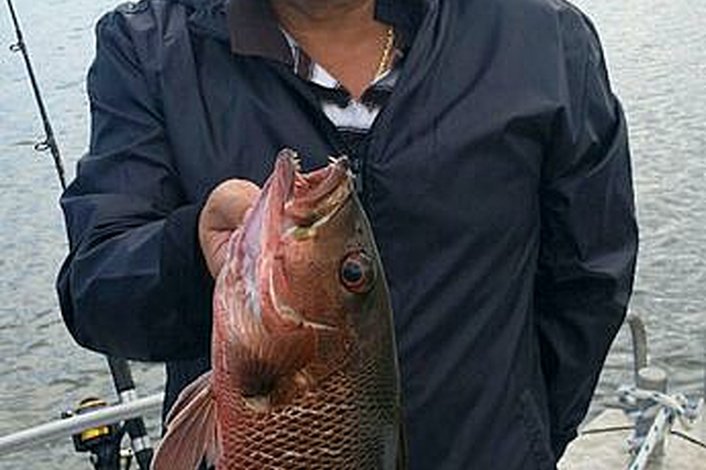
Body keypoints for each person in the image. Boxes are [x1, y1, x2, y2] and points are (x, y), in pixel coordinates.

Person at [56, 0, 638, 468]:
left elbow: (589, 279)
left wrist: (529, 440)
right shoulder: (148, 49)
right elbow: (97, 287)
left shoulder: (543, 40)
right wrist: (190, 254)